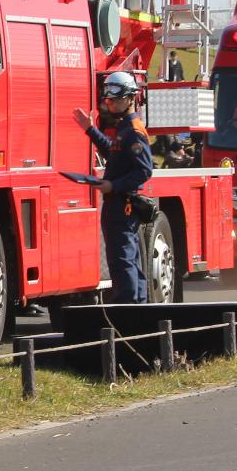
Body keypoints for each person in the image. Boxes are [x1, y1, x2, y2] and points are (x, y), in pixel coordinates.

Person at [73, 71, 155, 302]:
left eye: (117, 100)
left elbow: (144, 171)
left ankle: (128, 310)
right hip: (117, 204)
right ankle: (138, 308)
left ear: (130, 98)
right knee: (126, 260)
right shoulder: (124, 129)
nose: (112, 104)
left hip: (123, 205)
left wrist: (113, 185)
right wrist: (91, 130)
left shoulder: (134, 131)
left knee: (122, 260)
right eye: (109, 100)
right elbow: (114, 155)